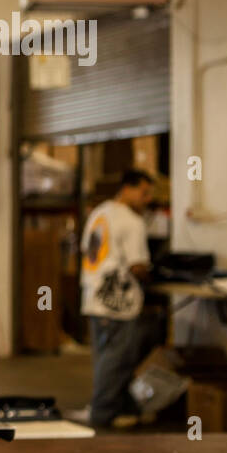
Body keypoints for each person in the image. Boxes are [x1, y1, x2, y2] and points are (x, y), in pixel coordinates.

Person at [80, 168, 154, 429]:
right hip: (119, 303)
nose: (147, 200)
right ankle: (101, 414)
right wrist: (152, 277)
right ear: (128, 188)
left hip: (93, 297)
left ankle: (124, 407)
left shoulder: (99, 213)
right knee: (116, 361)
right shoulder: (132, 222)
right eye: (144, 193)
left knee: (107, 359)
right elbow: (137, 266)